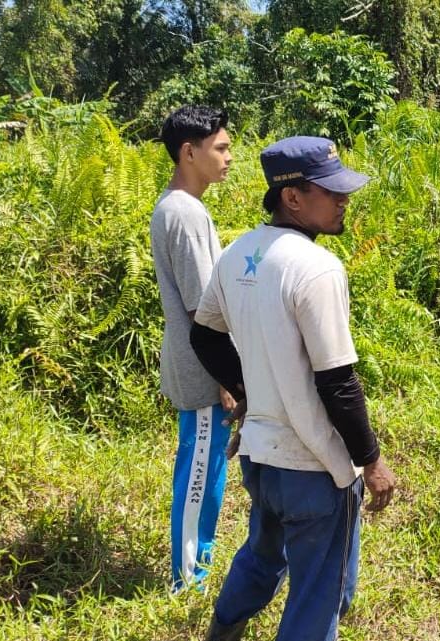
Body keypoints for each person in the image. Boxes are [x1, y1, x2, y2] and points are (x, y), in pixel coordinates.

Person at [186, 135, 397, 641]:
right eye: (332, 192)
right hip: (313, 465)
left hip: (260, 457)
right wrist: (370, 463)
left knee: (261, 556)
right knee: (319, 587)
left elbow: (203, 336)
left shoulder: (237, 255)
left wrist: (248, 389)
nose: (343, 200)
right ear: (294, 198)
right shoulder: (316, 268)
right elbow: (338, 382)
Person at [150, 105, 236, 593]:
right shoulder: (181, 212)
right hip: (203, 366)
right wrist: (227, 374)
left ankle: (197, 565)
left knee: (208, 466)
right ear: (189, 152)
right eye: (220, 148)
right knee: (199, 472)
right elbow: (203, 308)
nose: (228, 157)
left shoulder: (186, 208)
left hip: (205, 363)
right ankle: (186, 580)